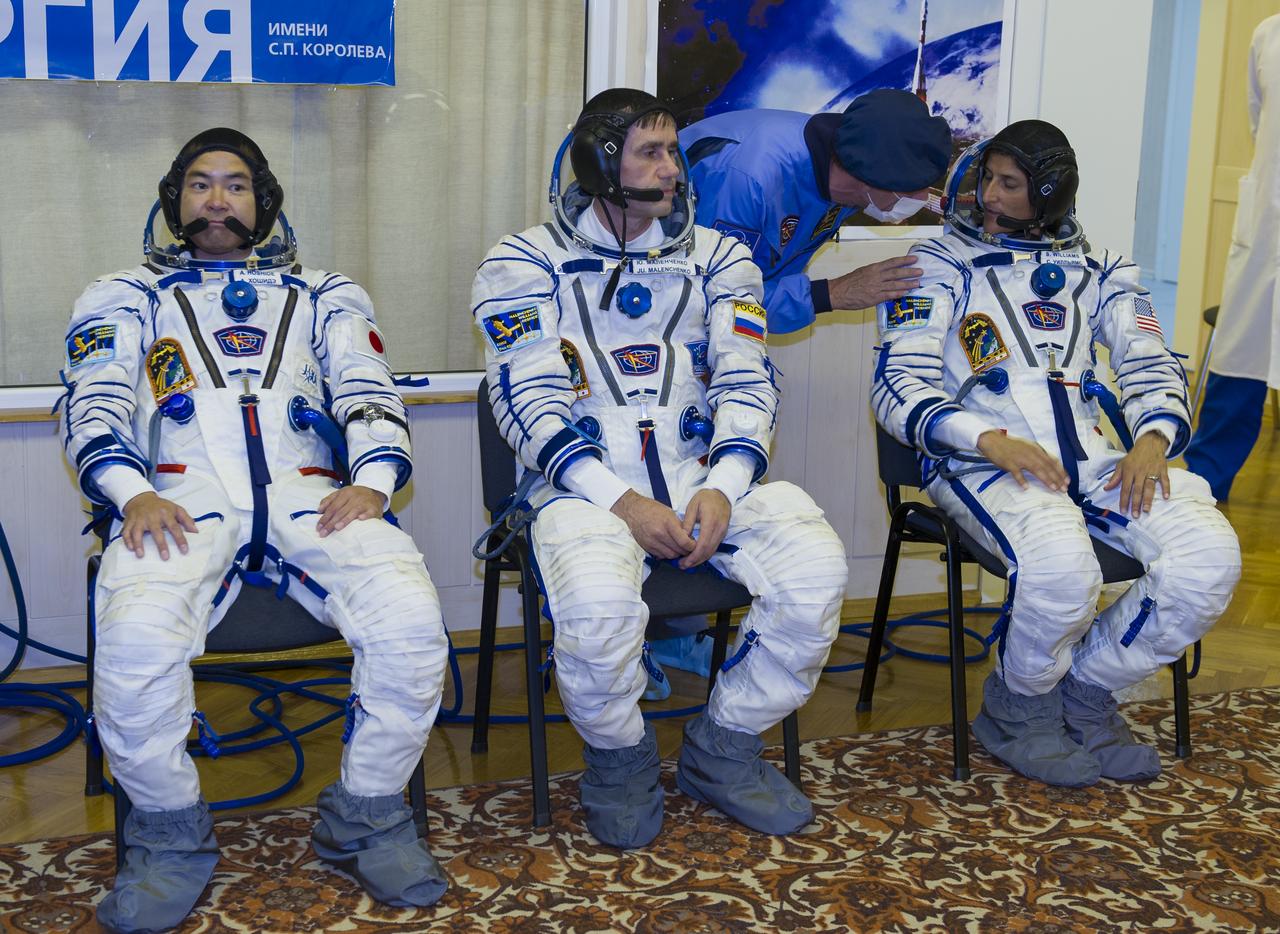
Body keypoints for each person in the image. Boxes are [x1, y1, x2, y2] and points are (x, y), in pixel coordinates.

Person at [60, 129, 450, 932]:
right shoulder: (123, 295)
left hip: (315, 496)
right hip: (175, 500)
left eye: (235, 185)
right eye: (199, 185)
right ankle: (169, 838)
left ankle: (366, 815)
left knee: (413, 625)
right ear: (176, 201)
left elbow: (368, 390)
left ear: (262, 202)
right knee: (132, 645)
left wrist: (374, 482)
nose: (216, 201)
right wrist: (130, 492)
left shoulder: (325, 293)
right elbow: (91, 401)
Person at [470, 88, 848, 847]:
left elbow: (748, 381)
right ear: (601, 163)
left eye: (673, 152)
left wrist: (726, 483)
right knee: (599, 616)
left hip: (704, 476)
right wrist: (624, 503)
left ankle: (725, 746)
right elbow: (529, 405)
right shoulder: (522, 262)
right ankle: (620, 759)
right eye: (651, 152)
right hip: (581, 490)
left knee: (816, 570)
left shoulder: (721, 258)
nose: (672, 169)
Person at [870, 120, 1241, 787]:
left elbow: (1150, 364)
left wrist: (1153, 441)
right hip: (983, 462)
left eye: (1009, 185)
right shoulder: (935, 264)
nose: (987, 196)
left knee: (1206, 557)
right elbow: (899, 386)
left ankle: (1084, 692)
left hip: (1092, 464)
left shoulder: (1102, 273)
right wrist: (985, 438)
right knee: (1064, 568)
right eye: (987, 177)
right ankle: (1018, 708)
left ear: (1050, 193)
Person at [678, 88, 953, 335]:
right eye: (912, 187)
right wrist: (832, 293)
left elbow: (759, 277)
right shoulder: (751, 179)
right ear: (868, 179)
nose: (922, 198)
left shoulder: (845, 178)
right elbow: (711, 299)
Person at [1183, 14, 1280, 501]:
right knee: (1236, 369)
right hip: (1267, 235)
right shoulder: (1268, 34)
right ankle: (1203, 487)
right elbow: (1260, 122)